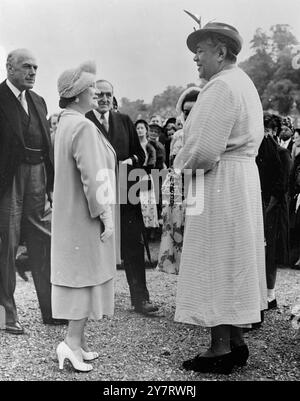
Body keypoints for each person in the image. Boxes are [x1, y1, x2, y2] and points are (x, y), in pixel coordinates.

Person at [173, 21, 267, 374]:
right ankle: (236, 342)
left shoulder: (220, 87)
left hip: (220, 181)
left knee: (217, 260)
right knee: (233, 260)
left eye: (200, 50)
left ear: (221, 52)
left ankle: (220, 347)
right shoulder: (243, 83)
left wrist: (178, 171)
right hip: (239, 179)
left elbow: (203, 149)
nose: (195, 58)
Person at [52, 61, 118, 372]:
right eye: (91, 88)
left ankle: (79, 342)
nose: (95, 92)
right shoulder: (82, 126)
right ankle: (71, 343)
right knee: (83, 279)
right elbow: (94, 175)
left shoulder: (67, 122)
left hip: (72, 214)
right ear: (78, 94)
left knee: (83, 277)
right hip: (84, 216)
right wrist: (104, 214)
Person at [86, 80, 159, 315]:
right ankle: (92, 302)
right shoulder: (85, 121)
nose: (104, 99)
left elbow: (140, 153)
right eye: (99, 95)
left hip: (125, 193)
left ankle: (140, 298)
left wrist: (132, 161)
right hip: (96, 193)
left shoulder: (124, 121)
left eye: (108, 94)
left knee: (132, 244)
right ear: (92, 97)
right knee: (94, 244)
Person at [0, 48, 60, 334]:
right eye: (26, 67)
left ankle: (51, 310)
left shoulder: (39, 101)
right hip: (8, 180)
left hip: (37, 174)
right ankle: (6, 315)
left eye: (35, 67)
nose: (33, 72)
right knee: (6, 244)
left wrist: (50, 185)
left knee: (43, 241)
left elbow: (46, 143)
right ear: (9, 68)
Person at [157, 86, 201, 275]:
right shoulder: (178, 136)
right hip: (183, 194)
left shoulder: (208, 131)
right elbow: (173, 170)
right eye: (186, 111)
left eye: (194, 110)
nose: (189, 115)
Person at [135, 119, 158, 231]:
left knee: (148, 200)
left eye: (141, 128)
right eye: (137, 128)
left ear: (146, 130)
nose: (139, 130)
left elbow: (152, 160)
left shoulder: (149, 145)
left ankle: (151, 229)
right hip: (135, 174)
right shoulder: (134, 145)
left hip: (146, 173)